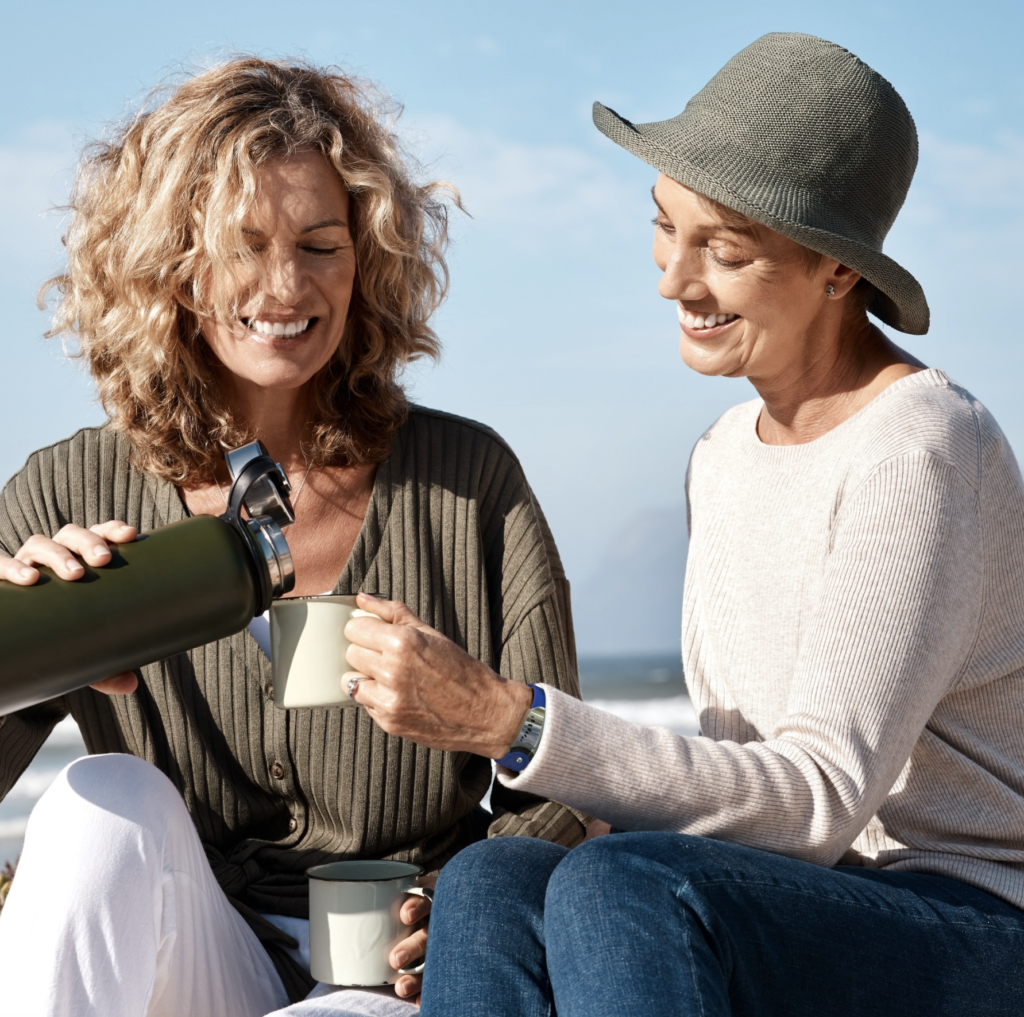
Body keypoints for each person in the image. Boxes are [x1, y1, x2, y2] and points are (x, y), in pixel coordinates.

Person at [341, 33, 1024, 1015]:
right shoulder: (725, 451)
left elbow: (815, 803)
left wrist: (509, 719)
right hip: (811, 900)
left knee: (622, 885)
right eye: (665, 228)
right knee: (493, 883)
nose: (674, 279)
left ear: (838, 272)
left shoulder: (919, 449)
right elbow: (734, 788)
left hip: (968, 924)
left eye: (726, 251)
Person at [0, 58, 588, 1016]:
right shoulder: (68, 490)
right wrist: (15, 649)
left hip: (384, 976)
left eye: (320, 244)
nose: (285, 285)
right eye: (244, 245)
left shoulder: (467, 481)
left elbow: (557, 775)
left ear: (367, 260)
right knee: (98, 799)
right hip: (194, 949)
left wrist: (466, 909)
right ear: (175, 266)